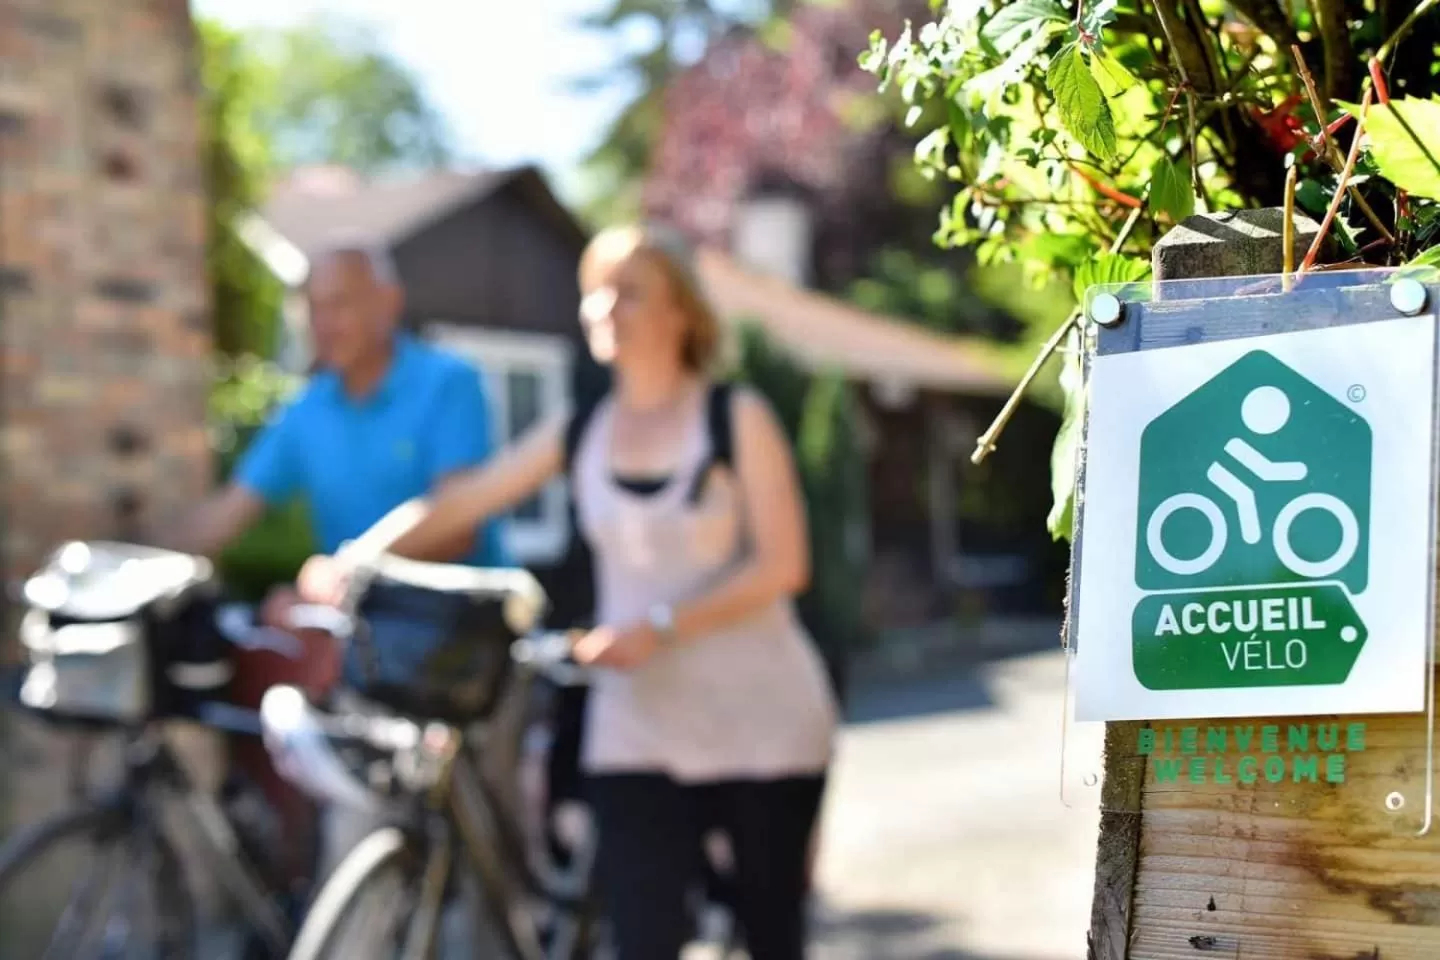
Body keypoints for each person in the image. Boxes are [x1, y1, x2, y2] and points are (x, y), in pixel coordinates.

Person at [298, 223, 840, 960]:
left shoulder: (735, 418)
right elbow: (464, 502)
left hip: (760, 720)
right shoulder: (580, 432)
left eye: (628, 292)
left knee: (771, 935)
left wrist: (662, 626)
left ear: (681, 311)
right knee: (642, 938)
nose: (603, 309)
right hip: (638, 724)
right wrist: (356, 560)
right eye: (594, 293)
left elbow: (783, 566)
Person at [164, 242, 508, 894]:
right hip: (371, 654)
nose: (325, 322)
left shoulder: (447, 383)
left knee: (483, 854)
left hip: (469, 648)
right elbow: (228, 513)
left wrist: (348, 570)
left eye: (341, 304)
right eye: (314, 307)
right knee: (357, 846)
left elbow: (456, 517)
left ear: (389, 304)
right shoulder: (309, 410)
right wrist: (131, 558)